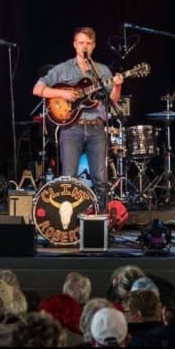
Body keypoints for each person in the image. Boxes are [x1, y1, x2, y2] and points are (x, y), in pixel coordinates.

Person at [32, 27, 123, 211]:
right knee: (69, 178)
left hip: (97, 128)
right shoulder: (63, 69)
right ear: (75, 45)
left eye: (88, 43)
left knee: (101, 180)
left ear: (94, 46)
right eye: (81, 43)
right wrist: (61, 94)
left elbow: (112, 99)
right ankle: (70, 223)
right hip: (71, 128)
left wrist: (118, 85)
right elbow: (37, 89)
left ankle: (102, 221)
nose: (85, 46)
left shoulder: (102, 71)